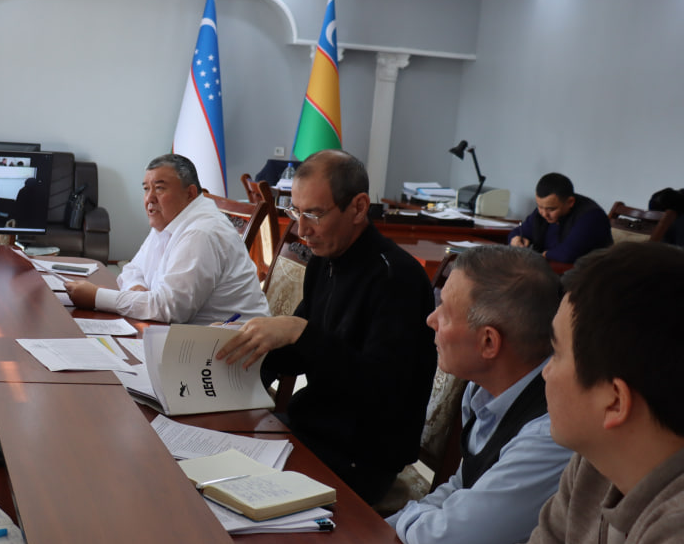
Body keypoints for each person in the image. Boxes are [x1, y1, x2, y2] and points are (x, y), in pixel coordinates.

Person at [492, 242, 684, 544]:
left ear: (614, 401)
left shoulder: (677, 533)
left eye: (556, 353)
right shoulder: (594, 467)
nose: (544, 373)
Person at [217, 149, 435, 503]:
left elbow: (381, 392)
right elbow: (299, 354)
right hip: (312, 430)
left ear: (359, 208)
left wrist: (300, 333)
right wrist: (238, 345)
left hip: (359, 457)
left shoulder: (397, 279)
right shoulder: (326, 259)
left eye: (314, 214)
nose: (301, 230)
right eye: (295, 212)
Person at [387, 245, 571, 544]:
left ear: (488, 342)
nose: (431, 319)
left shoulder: (549, 433)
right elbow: (461, 487)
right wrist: (390, 528)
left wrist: (408, 519)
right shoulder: (482, 392)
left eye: (445, 311)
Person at [64, 153, 269, 325]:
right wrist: (138, 293)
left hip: (230, 346)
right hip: (184, 335)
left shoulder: (201, 233)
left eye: (160, 188)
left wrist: (97, 297)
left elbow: (170, 309)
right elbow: (132, 270)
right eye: (146, 188)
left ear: (190, 193)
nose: (149, 198)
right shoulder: (169, 220)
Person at [508, 172, 612, 264]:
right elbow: (520, 231)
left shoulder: (591, 216)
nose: (544, 214)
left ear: (570, 202)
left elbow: (567, 254)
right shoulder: (543, 211)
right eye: (539, 206)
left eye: (551, 209)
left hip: (585, 275)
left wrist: (543, 255)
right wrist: (515, 239)